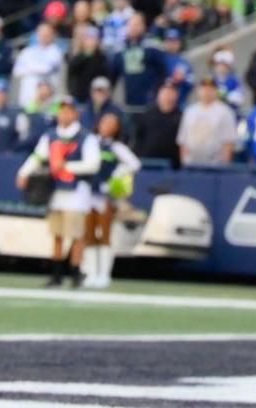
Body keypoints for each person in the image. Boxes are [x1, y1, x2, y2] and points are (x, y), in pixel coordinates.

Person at [17, 96, 99, 288]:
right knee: (57, 233)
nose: (64, 114)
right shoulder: (51, 136)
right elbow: (38, 156)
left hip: (77, 191)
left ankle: (76, 271)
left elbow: (92, 164)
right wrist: (24, 172)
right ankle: (56, 273)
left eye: (67, 110)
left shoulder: (86, 137)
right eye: (61, 111)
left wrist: (67, 166)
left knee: (77, 234)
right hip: (56, 191)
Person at [82, 112, 140, 289]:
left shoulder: (116, 147)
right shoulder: (89, 142)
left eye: (112, 123)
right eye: (105, 122)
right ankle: (91, 272)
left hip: (105, 194)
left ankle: (104, 274)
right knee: (89, 233)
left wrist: (114, 178)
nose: (107, 126)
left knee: (105, 233)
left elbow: (134, 164)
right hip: (88, 191)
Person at [178, 76, 237, 167]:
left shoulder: (225, 112)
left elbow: (228, 142)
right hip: (191, 164)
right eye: (204, 88)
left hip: (215, 165)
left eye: (210, 89)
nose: (207, 92)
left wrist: (225, 165)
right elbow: (183, 140)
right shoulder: (190, 111)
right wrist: (184, 163)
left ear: (216, 91)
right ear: (199, 90)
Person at [131, 81, 183, 167]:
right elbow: (138, 139)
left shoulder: (181, 118)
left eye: (171, 93)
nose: (167, 96)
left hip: (171, 167)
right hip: (146, 164)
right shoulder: (147, 115)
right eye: (165, 92)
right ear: (158, 95)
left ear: (176, 95)